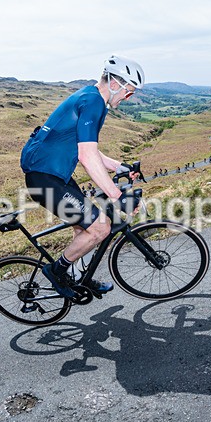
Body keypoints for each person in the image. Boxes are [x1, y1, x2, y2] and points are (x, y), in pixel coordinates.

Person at [20, 55, 144, 298]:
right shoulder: (93, 102)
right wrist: (117, 195)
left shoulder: (91, 97)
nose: (129, 98)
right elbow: (87, 158)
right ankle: (56, 271)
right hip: (45, 180)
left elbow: (88, 151)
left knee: (84, 228)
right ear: (115, 84)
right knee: (101, 227)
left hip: (54, 177)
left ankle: (77, 279)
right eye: (129, 92)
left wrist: (120, 166)